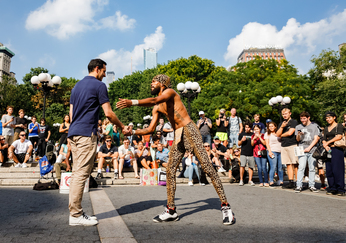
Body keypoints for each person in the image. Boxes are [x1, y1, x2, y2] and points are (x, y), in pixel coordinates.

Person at [116, 74, 234, 225]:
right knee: (170, 170)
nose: (151, 84)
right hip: (177, 134)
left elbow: (154, 99)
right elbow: (150, 129)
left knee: (207, 167)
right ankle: (171, 210)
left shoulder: (170, 92)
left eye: (154, 81)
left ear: (163, 84)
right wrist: (132, 132)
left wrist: (132, 102)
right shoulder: (156, 107)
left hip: (189, 129)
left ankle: (226, 206)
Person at [67, 58, 126, 226]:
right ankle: (76, 215)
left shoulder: (76, 86)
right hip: (86, 133)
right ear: (98, 69)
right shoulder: (99, 86)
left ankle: (76, 212)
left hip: (74, 133)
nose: (105, 75)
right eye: (104, 71)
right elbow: (108, 113)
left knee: (77, 172)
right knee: (81, 173)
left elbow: (72, 114)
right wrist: (121, 126)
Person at [294, 112, 320, 193]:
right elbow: (298, 140)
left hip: (312, 149)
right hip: (301, 149)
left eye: (304, 118)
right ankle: (299, 185)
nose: (302, 120)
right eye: (301, 119)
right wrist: (299, 135)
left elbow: (316, 139)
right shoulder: (298, 126)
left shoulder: (314, 126)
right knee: (301, 167)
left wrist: (309, 148)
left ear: (308, 118)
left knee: (312, 168)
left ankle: (312, 185)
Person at [322, 111, 345, 196]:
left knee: (337, 170)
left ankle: (340, 189)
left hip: (337, 149)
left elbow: (339, 136)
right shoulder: (326, 127)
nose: (328, 119)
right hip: (328, 149)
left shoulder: (339, 126)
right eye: (326, 118)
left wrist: (328, 142)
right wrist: (325, 145)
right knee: (329, 170)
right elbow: (323, 138)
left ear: (334, 117)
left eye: (330, 117)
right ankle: (332, 188)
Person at [276, 108, 298, 189]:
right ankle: (291, 181)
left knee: (295, 164)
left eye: (286, 113)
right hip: (284, 145)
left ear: (290, 113)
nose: (284, 115)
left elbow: (290, 133)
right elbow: (277, 134)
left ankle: (298, 182)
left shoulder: (294, 122)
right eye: (283, 114)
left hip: (292, 144)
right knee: (288, 164)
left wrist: (281, 134)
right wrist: (281, 127)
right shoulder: (281, 123)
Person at [265, 122, 283, 187]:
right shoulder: (267, 134)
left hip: (280, 151)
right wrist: (269, 151)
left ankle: (281, 180)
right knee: (273, 167)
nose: (271, 127)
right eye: (270, 126)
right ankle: (271, 181)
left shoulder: (278, 133)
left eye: (272, 126)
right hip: (272, 151)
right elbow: (267, 143)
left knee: (280, 167)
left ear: (275, 127)